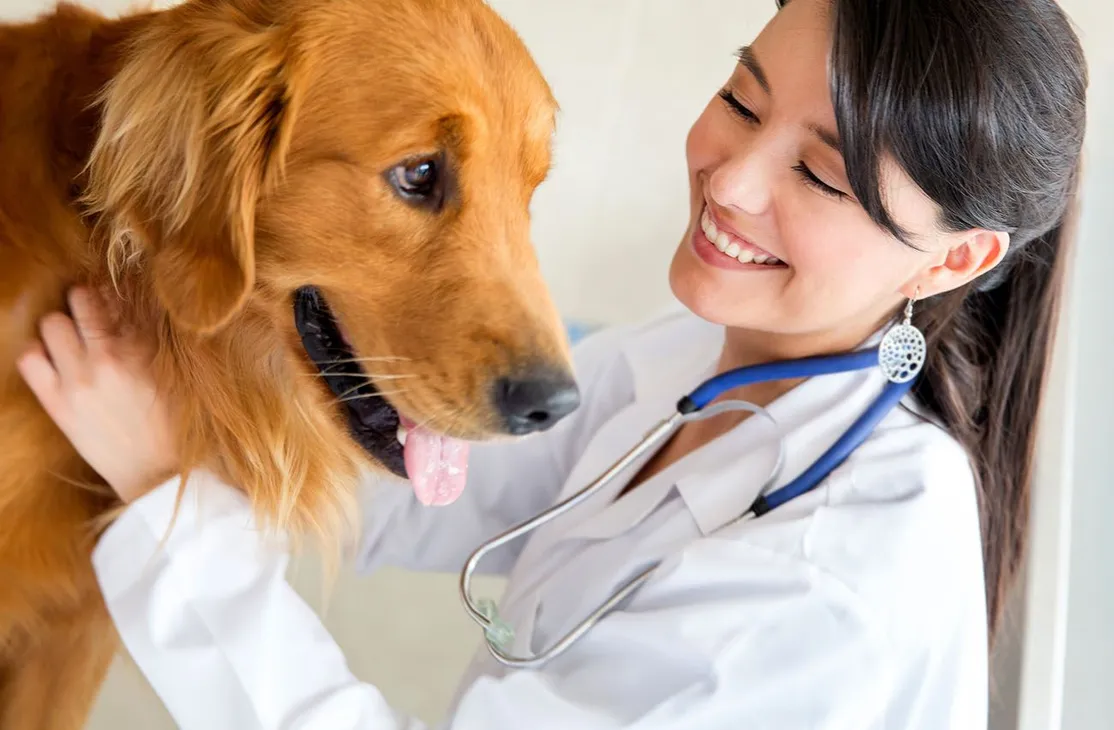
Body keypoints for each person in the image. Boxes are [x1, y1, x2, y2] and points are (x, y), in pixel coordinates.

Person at [16, 0, 1087, 727]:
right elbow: (410, 489)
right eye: (743, 101)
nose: (730, 183)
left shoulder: (839, 589)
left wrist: (169, 502)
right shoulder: (690, 367)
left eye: (818, 174)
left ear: (961, 255)